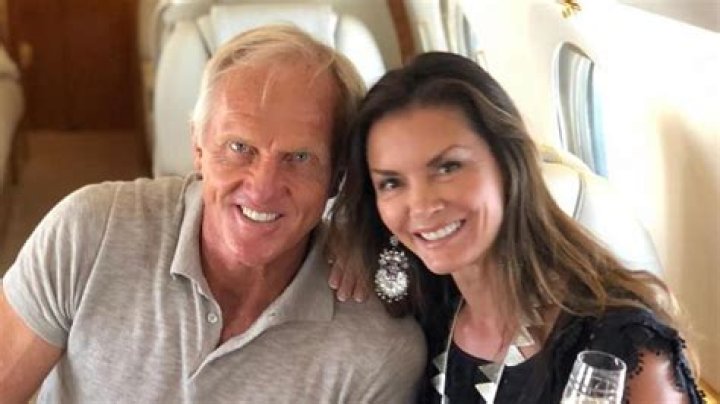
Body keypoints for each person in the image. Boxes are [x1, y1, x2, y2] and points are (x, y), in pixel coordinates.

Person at [0, 26, 425, 403]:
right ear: (198, 148)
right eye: (239, 148)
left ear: (337, 176)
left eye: (298, 157)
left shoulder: (376, 350)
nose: (262, 188)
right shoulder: (89, 231)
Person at [328, 52, 704, 403]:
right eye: (392, 183)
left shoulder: (620, 345)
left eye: (447, 167)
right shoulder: (423, 314)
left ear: (509, 165)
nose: (422, 205)